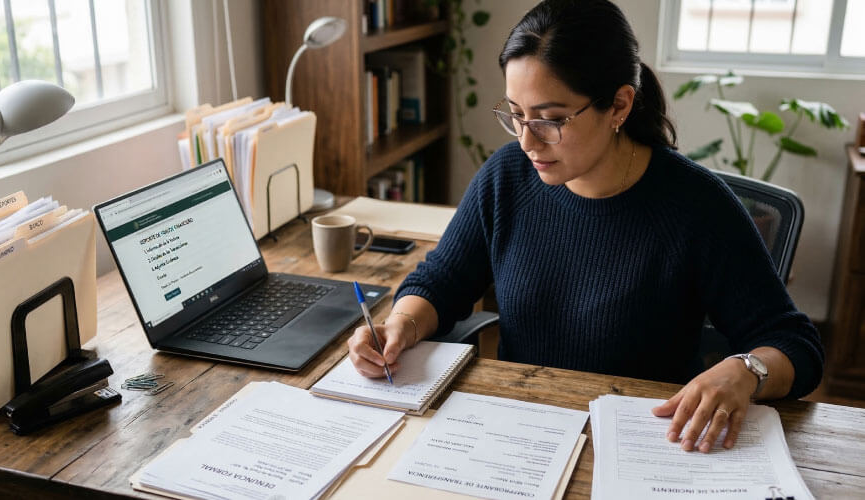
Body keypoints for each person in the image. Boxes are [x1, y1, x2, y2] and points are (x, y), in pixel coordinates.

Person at [348, 0, 823, 454]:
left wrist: (745, 371)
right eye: (516, 114)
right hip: (519, 432)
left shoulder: (696, 206)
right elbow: (442, 281)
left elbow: (794, 343)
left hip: (647, 442)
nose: (528, 140)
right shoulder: (506, 176)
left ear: (618, 106)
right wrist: (401, 325)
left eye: (552, 119)